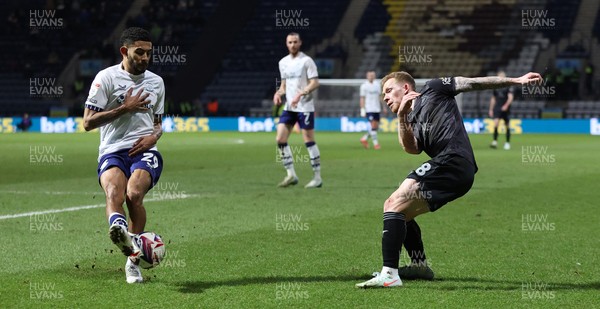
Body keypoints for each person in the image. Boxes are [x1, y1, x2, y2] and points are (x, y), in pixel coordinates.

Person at [356, 71, 542, 288]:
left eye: (389, 91)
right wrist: (402, 117)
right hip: (456, 171)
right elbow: (412, 149)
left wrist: (515, 80)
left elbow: (471, 83)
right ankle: (419, 266)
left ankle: (389, 274)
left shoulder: (434, 88)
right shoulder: (410, 118)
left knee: (392, 204)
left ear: (405, 88)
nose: (386, 98)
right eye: (384, 95)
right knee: (401, 213)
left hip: (454, 159)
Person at [82, 27, 165, 284]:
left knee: (134, 194)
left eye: (148, 53)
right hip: (112, 150)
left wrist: (155, 136)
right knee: (113, 194)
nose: (145, 58)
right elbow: (87, 122)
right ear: (124, 51)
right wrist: (124, 108)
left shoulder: (157, 82)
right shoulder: (105, 79)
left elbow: (158, 123)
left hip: (145, 150)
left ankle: (132, 264)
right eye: (139, 52)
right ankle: (120, 231)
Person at [273, 32, 321, 188]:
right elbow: (284, 86)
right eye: (290, 42)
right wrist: (278, 93)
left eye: (295, 42)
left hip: (305, 107)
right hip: (290, 107)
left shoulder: (307, 61)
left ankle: (317, 177)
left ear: (300, 43)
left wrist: (301, 93)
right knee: (280, 139)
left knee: (308, 140)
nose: (292, 44)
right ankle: (291, 174)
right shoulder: (283, 62)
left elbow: (315, 83)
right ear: (286, 44)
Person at [488, 71, 514, 150]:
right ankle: (495, 141)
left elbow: (510, 98)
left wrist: (506, 105)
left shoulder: (508, 86)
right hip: (497, 108)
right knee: (496, 124)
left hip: (505, 108)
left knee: (507, 125)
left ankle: (507, 143)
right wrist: (491, 109)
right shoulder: (496, 87)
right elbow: (493, 99)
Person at [359, 71, 385, 149]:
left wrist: (384, 107)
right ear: (367, 76)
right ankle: (376, 144)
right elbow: (362, 98)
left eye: (373, 75)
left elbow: (380, 96)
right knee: (373, 125)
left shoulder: (377, 85)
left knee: (375, 127)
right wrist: (362, 109)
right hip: (369, 109)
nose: (371, 77)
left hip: (377, 108)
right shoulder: (364, 86)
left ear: (374, 76)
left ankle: (364, 138)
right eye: (370, 75)